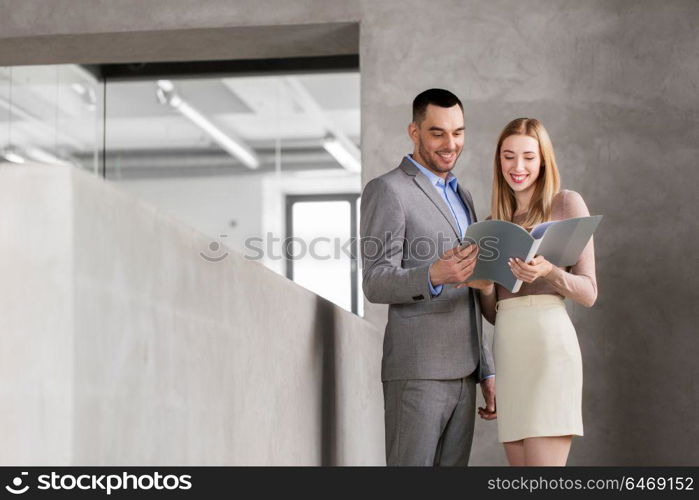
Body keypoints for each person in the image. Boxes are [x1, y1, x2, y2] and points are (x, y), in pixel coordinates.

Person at [360, 88, 496, 466]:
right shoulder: (388, 190)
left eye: (458, 132)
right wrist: (432, 274)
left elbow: (472, 286)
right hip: (417, 373)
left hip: (466, 375)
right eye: (437, 132)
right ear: (414, 132)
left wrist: (486, 368)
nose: (450, 143)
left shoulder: (463, 195)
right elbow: (374, 280)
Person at [477, 117, 598, 466]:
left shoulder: (566, 204)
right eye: (509, 156)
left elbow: (589, 292)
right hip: (510, 351)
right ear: (498, 161)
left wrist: (550, 272)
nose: (518, 167)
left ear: (543, 159)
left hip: (549, 347)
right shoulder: (494, 222)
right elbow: (493, 314)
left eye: (529, 157)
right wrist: (485, 288)